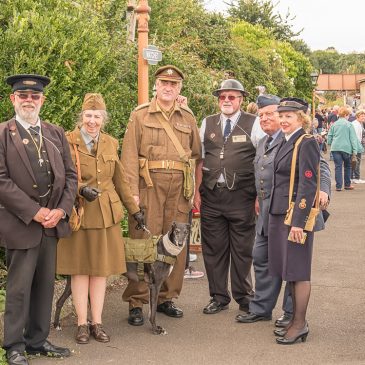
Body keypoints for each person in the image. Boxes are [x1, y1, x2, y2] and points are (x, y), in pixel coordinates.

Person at [0, 74, 78, 365]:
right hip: (21, 223)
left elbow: (71, 176)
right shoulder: (2, 133)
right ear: (13, 99)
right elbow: (1, 180)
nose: (29, 101)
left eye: (34, 97)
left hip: (51, 224)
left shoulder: (55, 133)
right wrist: (34, 211)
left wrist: (61, 210)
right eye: (23, 96)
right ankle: (14, 345)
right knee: (19, 288)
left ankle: (36, 340)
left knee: (45, 285)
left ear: (42, 100)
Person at [235, 95, 331, 326]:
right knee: (263, 259)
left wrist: (324, 190)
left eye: (271, 113)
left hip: (290, 212)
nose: (266, 118)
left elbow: (320, 167)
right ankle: (261, 308)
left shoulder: (298, 140)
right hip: (268, 212)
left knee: (292, 265)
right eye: (262, 115)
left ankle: (291, 314)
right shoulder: (263, 142)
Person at [56, 93, 144, 344]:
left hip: (107, 216)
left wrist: (134, 210)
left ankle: (97, 322)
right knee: (80, 271)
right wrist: (80, 188)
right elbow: (60, 177)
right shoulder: (67, 141)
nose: (92, 121)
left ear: (103, 119)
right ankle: (81, 324)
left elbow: (120, 180)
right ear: (81, 117)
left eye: (96, 116)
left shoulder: (109, 142)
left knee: (101, 272)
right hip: (80, 216)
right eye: (88, 116)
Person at [121, 65, 201, 326]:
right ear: (156, 86)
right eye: (164, 83)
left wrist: (194, 191)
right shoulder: (140, 115)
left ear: (180, 89)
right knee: (142, 242)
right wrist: (131, 193)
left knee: (174, 243)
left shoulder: (187, 117)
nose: (168, 87)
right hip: (148, 187)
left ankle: (167, 297)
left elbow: (196, 156)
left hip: (179, 191)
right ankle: (137, 301)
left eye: (173, 84)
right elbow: (129, 156)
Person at [194, 79, 257, 315]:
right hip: (211, 196)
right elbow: (200, 159)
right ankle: (219, 297)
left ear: (241, 99)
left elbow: (261, 160)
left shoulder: (254, 123)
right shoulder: (207, 122)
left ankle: (244, 297)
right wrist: (197, 191)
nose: (227, 101)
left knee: (242, 250)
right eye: (223, 97)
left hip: (242, 196)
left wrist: (259, 196)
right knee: (213, 250)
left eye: (232, 97)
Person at [268, 97, 320, 345]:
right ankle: (293, 320)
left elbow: (308, 184)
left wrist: (298, 221)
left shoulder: (306, 142)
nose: (284, 119)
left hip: (294, 218)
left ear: (301, 118)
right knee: (288, 269)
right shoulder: (285, 140)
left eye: (290, 116)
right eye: (282, 115)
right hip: (280, 214)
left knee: (298, 271)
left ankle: (299, 324)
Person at [327, 106, 362, 191]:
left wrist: (330, 143)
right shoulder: (349, 124)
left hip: (335, 148)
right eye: (348, 115)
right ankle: (347, 185)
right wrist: (355, 150)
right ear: (346, 115)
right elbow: (353, 139)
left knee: (338, 167)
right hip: (346, 148)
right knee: (348, 166)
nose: (349, 116)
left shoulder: (334, 124)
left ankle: (338, 186)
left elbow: (329, 136)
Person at [350, 109, 365, 183]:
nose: (363, 117)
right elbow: (355, 137)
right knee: (356, 161)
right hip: (356, 144)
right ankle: (356, 178)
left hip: (357, 144)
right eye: (362, 116)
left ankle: (353, 177)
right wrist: (355, 147)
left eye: (364, 116)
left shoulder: (359, 123)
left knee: (355, 161)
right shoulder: (355, 124)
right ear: (357, 116)